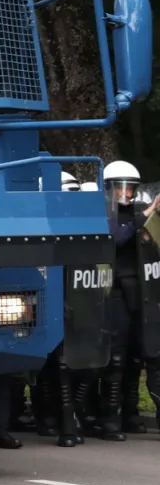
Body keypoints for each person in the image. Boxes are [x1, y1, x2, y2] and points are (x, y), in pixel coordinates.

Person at [101, 160, 155, 442]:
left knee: (136, 355)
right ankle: (109, 417)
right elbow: (116, 239)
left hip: (140, 293)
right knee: (116, 356)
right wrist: (144, 216)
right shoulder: (104, 214)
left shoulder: (138, 215)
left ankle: (130, 413)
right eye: (120, 188)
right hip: (114, 293)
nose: (126, 193)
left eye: (130, 188)